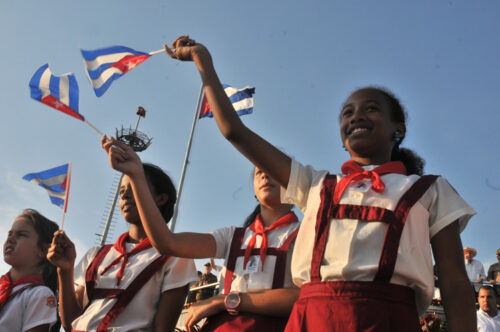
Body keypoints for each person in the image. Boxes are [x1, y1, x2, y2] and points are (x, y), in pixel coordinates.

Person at [164, 35, 478, 332]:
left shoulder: (430, 189)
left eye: (370, 108)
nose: (356, 116)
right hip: (311, 317)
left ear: (399, 130)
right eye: (347, 113)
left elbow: (454, 282)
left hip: (390, 317)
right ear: (342, 140)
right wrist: (203, 61)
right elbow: (235, 131)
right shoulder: (316, 184)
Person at [101, 136, 301, 332]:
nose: (265, 174)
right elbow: (168, 243)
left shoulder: (304, 233)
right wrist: (136, 176)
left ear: (293, 183)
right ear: (254, 191)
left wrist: (225, 300)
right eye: (259, 171)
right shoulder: (233, 236)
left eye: (273, 170)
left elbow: (304, 296)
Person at [47, 160, 197, 331]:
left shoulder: (176, 256)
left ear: (161, 198)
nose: (125, 196)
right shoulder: (97, 253)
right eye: (122, 191)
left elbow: (162, 328)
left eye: (134, 186)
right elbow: (70, 323)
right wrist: (65, 271)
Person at [1, 209, 59, 332]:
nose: (10, 239)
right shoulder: (2, 286)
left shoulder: (40, 294)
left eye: (21, 234)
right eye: (9, 234)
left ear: (43, 250)